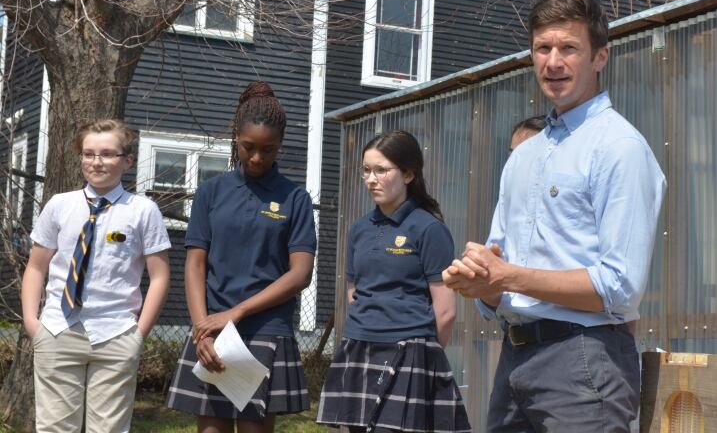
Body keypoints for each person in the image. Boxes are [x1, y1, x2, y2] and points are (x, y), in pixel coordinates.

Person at [443, 0, 666, 432]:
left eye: (569, 48)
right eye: (542, 48)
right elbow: (500, 278)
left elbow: (619, 287)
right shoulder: (524, 156)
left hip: (586, 360)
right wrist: (483, 282)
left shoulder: (619, 148)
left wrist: (508, 277)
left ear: (600, 57)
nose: (553, 61)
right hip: (515, 356)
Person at [166, 81, 316, 433]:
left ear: (280, 146)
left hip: (265, 330)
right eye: (249, 147)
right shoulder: (211, 191)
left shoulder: (295, 198)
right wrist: (202, 330)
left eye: (269, 150)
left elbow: (301, 274)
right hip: (212, 332)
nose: (257, 158)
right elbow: (195, 264)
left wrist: (235, 313)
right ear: (236, 136)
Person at [21, 119, 171, 433]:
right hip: (58, 330)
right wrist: (32, 323)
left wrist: (138, 333)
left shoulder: (142, 211)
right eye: (88, 154)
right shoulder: (59, 206)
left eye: (107, 154)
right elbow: (36, 267)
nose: (96, 161)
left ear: (127, 161)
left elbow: (159, 276)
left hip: (116, 334)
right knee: (55, 428)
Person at [317, 130, 471, 433]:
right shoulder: (359, 229)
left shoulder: (428, 229)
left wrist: (423, 359)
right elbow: (354, 294)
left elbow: (445, 310)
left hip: (410, 351)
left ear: (409, 173)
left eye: (381, 170)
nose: (371, 179)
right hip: (359, 346)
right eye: (366, 170)